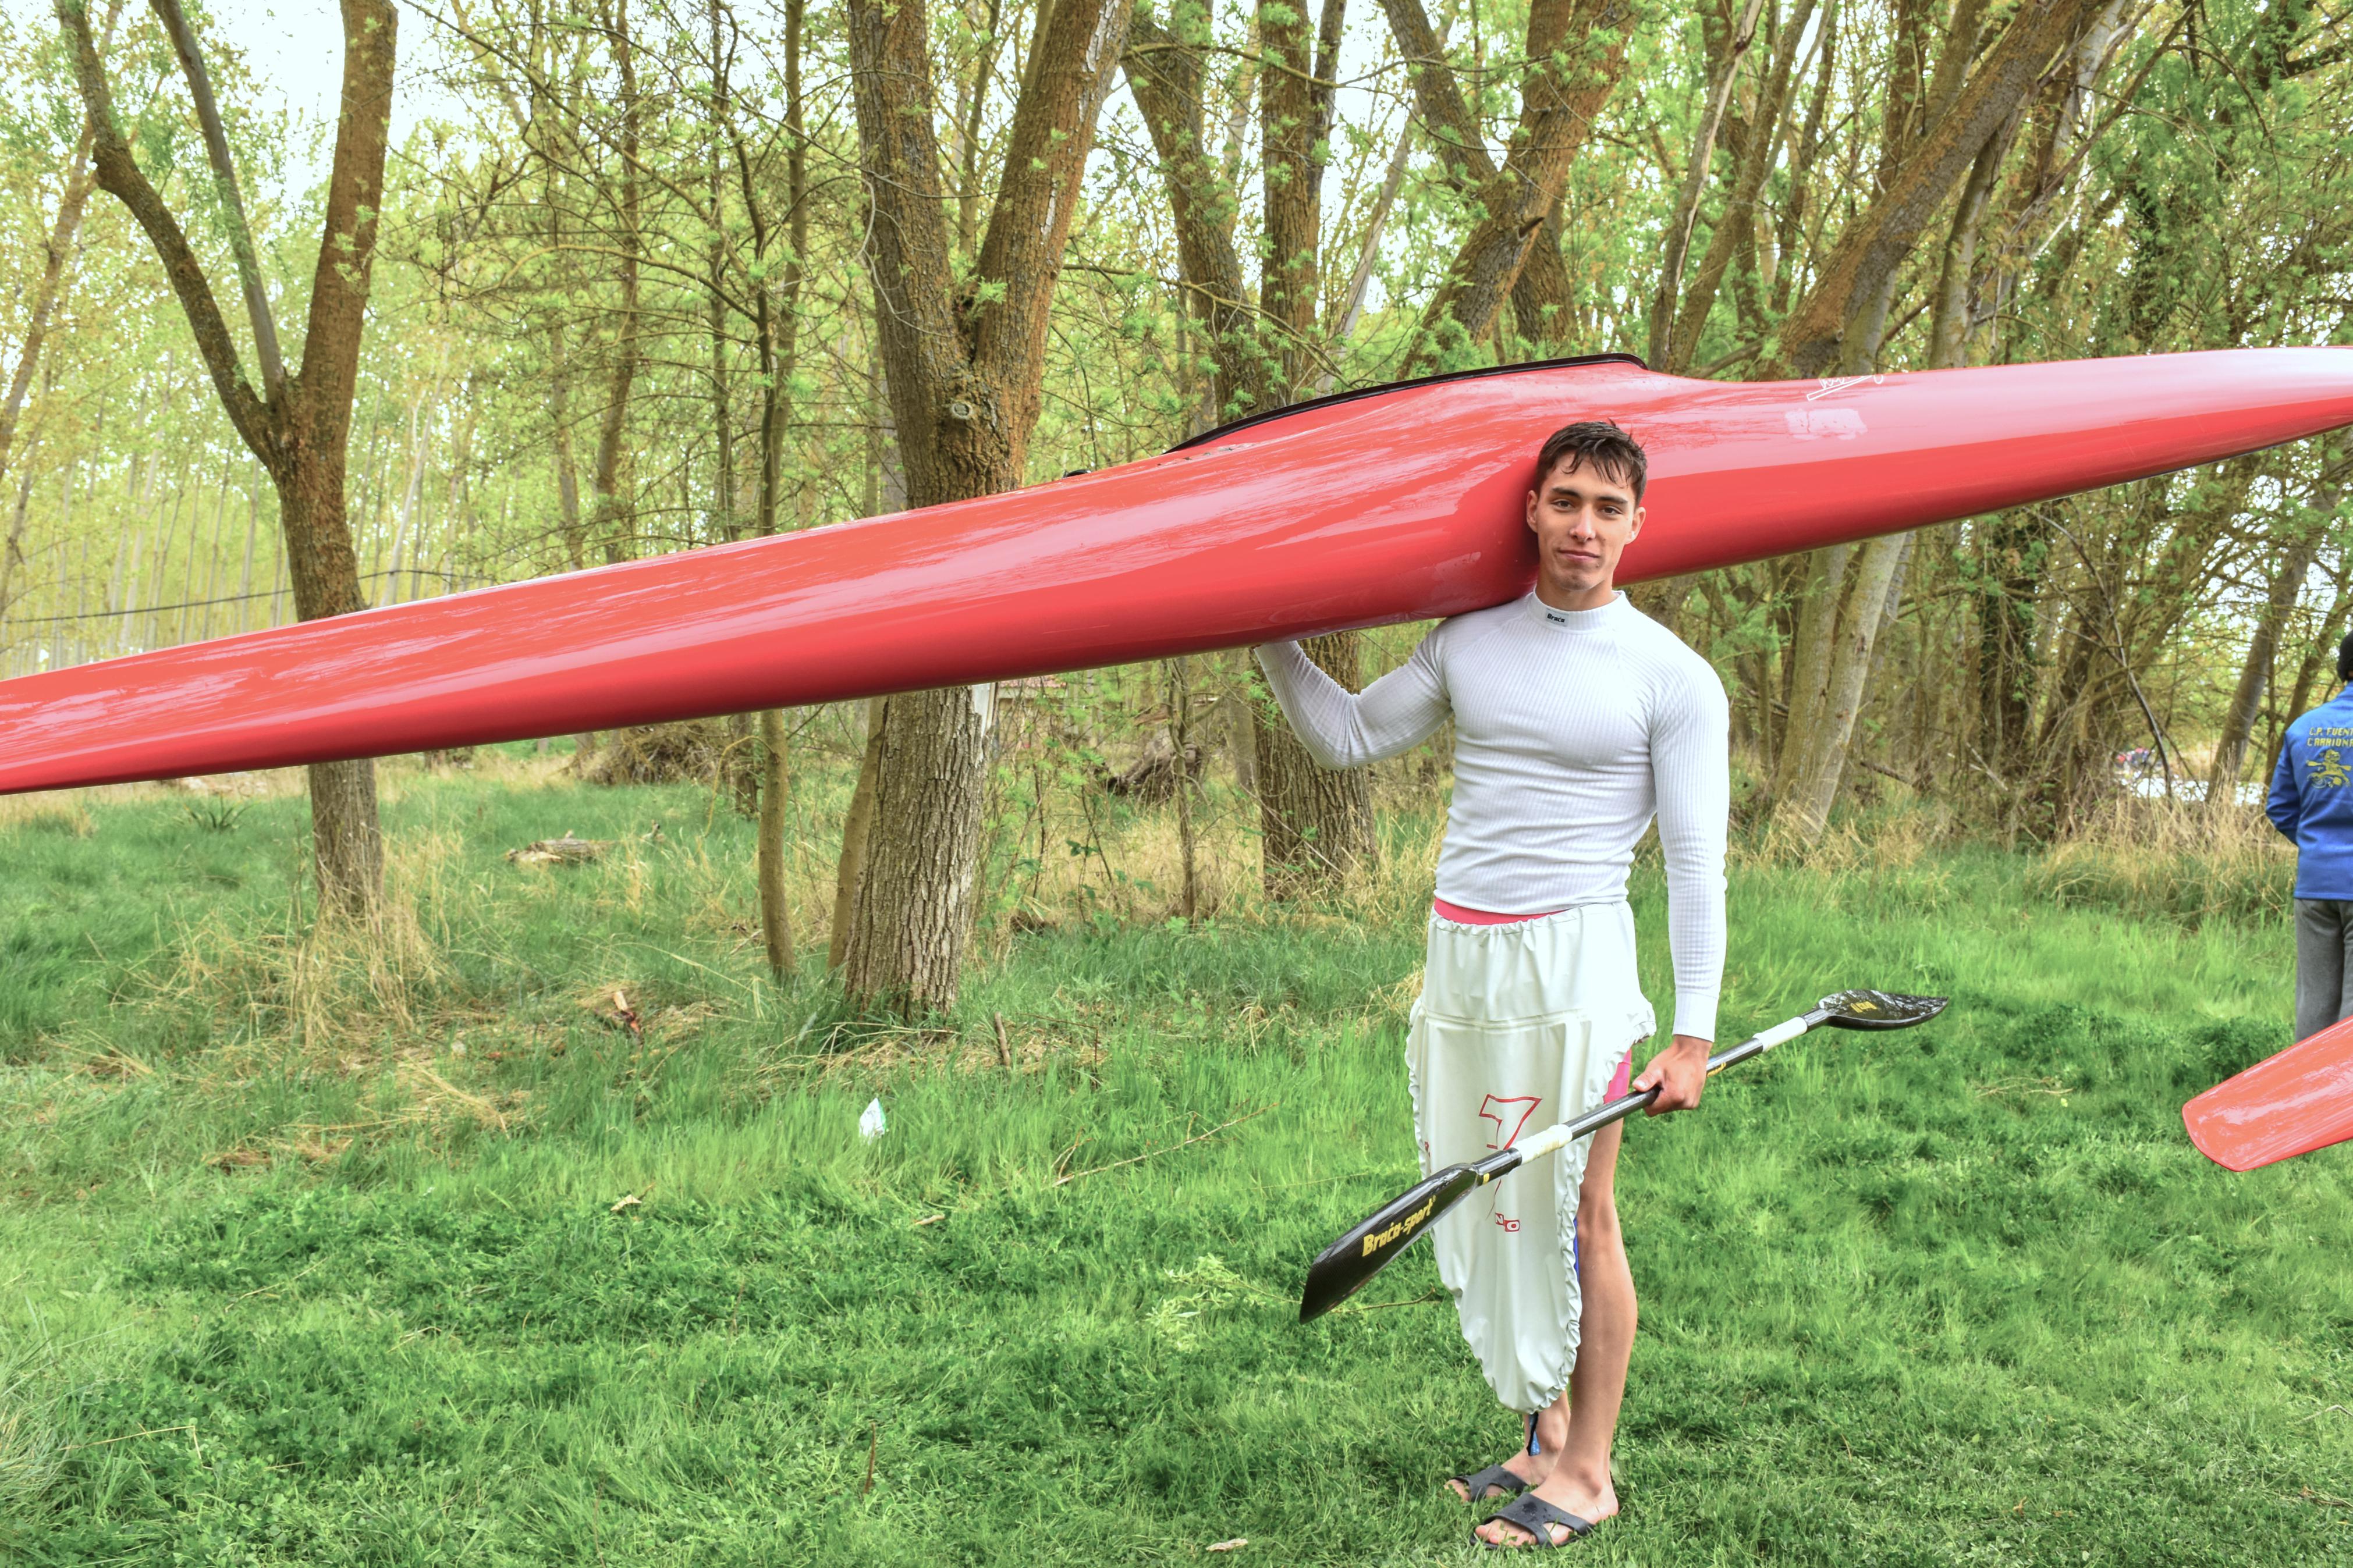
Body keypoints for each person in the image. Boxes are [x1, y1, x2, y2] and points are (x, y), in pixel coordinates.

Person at [1255, 421, 1729, 1549]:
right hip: (1463, 958)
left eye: (1607, 509)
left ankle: (1588, 1469)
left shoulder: (1670, 676)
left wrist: (1693, 1033)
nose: (1582, 526)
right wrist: (1263, 632)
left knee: (1577, 1215)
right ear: (1530, 509)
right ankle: (1540, 1430)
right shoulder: (1468, 640)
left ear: (1636, 525)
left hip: (1576, 965)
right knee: (1496, 1193)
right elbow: (1347, 738)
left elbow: (1698, 863)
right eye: (1564, 500)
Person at [2267, 629, 2353, 1043]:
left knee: (2314, 1007)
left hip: (2314, 884)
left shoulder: (2303, 728)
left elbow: (2279, 808)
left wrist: (2319, 847)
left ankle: (2304, 1103)